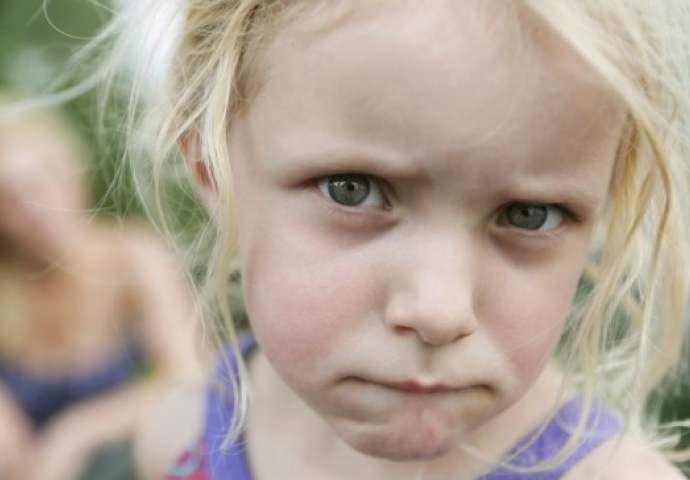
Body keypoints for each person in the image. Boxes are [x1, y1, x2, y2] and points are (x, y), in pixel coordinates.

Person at [75, 0, 690, 478]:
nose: (440, 312)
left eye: (529, 215)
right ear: (213, 169)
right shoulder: (183, 438)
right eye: (353, 189)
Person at [0, 91, 204, 480]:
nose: (34, 208)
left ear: (70, 172)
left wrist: (77, 431)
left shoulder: (133, 254)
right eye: (9, 198)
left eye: (41, 181)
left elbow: (189, 373)